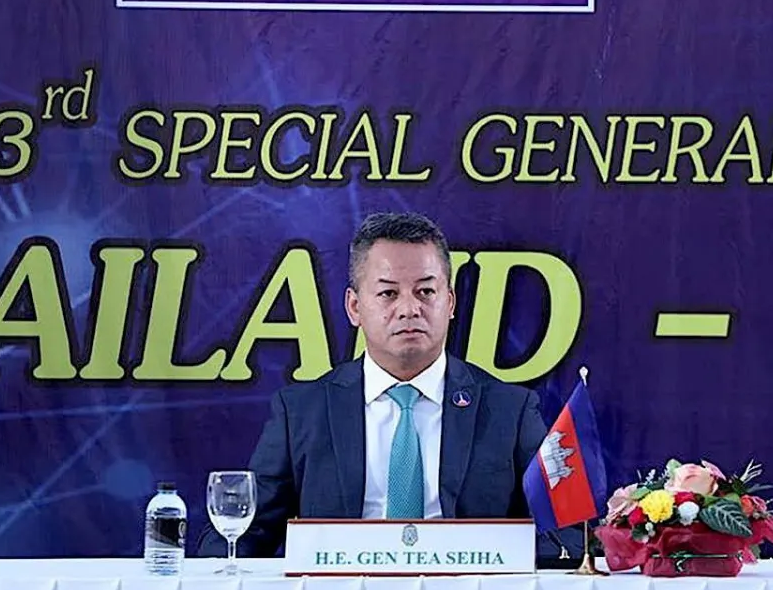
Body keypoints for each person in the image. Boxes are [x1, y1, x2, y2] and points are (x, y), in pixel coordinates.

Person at [200, 212, 554, 557]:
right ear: (355, 307)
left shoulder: (511, 411)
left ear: (450, 303)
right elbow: (244, 534)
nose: (409, 309)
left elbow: (560, 534)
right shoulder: (301, 413)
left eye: (426, 291)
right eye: (388, 294)